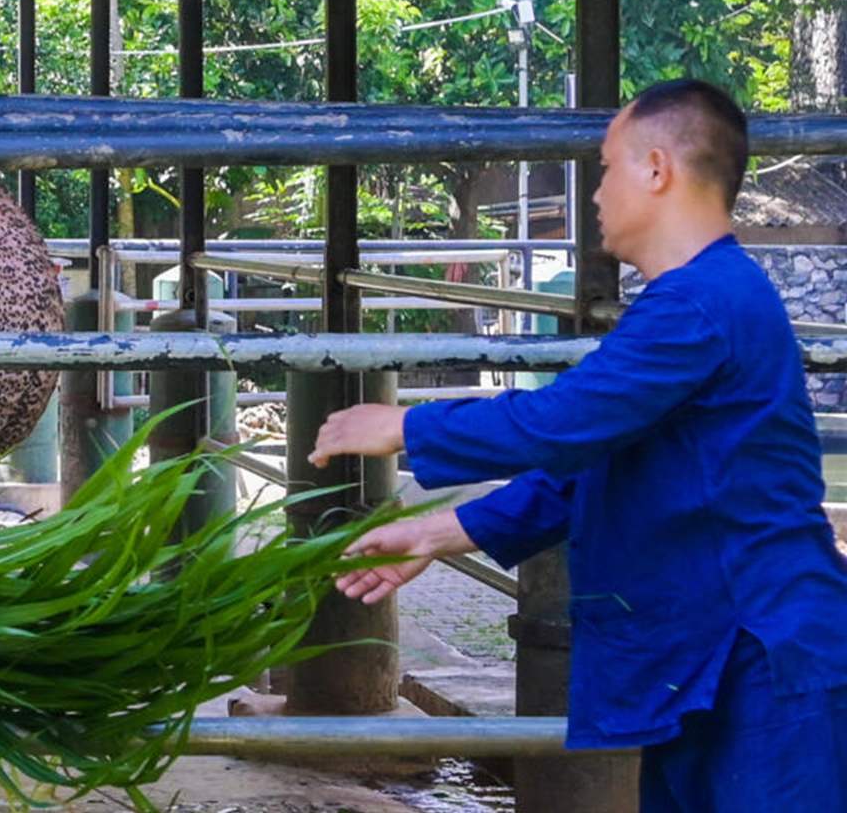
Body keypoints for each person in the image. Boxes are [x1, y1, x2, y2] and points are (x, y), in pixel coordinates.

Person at [311, 79, 847, 812]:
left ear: (657, 169)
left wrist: (406, 425)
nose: (594, 192)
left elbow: (562, 421)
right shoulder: (687, 302)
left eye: (605, 166)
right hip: (707, 659)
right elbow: (591, 466)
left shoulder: (701, 304)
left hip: (758, 654)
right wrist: (433, 534)